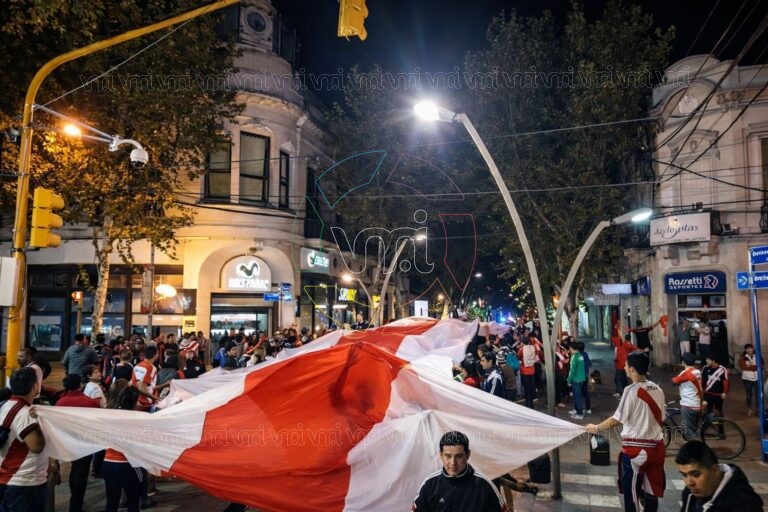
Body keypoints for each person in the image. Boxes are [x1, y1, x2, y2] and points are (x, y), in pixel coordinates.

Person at [585, 352, 665, 512]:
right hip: (657, 448)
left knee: (632, 494)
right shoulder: (658, 389)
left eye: (626, 365)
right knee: (651, 494)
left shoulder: (631, 390)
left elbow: (617, 418)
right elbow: (662, 417)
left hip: (637, 451)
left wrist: (596, 427)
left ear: (633, 369)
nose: (624, 367)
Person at [412, 431, 507, 511]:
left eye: (459, 456)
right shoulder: (429, 485)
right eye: (448, 456)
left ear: (468, 455)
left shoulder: (485, 486)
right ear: (441, 455)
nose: (453, 463)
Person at [0, 368, 49, 511]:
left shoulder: (3, 405)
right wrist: (38, 423)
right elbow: (37, 446)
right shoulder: (26, 414)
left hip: (5, 479)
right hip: (24, 483)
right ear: (35, 386)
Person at [676, 440, 763, 511]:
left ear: (715, 470)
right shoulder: (689, 494)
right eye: (684, 475)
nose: (689, 483)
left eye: (696, 474)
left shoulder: (744, 504)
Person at [56, 374, 100, 512]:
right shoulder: (90, 402)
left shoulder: (60, 402)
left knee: (74, 470)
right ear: (80, 385)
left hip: (67, 442)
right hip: (84, 443)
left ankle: (74, 502)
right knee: (81, 473)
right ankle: (76, 504)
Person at [102, 386, 143, 512]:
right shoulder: (139, 419)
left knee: (111, 502)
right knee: (133, 502)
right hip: (129, 464)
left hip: (108, 462)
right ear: (136, 401)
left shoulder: (110, 416)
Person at [671, 352, 702, 441]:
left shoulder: (685, 373)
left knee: (691, 434)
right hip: (696, 403)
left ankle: (698, 451)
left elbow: (675, 381)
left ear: (683, 362)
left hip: (688, 405)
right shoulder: (698, 372)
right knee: (693, 429)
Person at [130, 344, 158, 411]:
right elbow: (141, 388)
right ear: (156, 355)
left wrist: (166, 384)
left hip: (134, 401)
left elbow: (133, 383)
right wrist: (154, 398)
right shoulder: (151, 368)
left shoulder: (137, 366)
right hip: (145, 404)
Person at [701, 354, 728, 419]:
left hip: (718, 394)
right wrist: (701, 390)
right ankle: (708, 423)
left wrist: (724, 392)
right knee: (708, 409)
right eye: (706, 359)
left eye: (708, 359)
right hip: (707, 393)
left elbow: (725, 382)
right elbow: (702, 380)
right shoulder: (705, 368)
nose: (706, 361)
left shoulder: (722, 369)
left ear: (713, 361)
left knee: (718, 410)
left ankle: (720, 425)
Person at [738, 344, 760, 416]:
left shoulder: (758, 355)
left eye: (750, 348)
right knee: (748, 395)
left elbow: (761, 365)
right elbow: (742, 366)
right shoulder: (743, 357)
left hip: (757, 378)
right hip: (747, 379)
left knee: (758, 395)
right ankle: (749, 409)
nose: (749, 350)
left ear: (753, 348)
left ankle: (758, 410)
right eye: (747, 348)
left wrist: (750, 367)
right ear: (745, 350)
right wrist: (754, 367)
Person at [567, 341, 587, 419]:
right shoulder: (580, 355)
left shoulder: (574, 357)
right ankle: (576, 409)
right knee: (577, 396)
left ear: (572, 348)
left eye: (570, 348)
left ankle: (579, 414)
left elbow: (572, 371)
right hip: (581, 378)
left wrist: (569, 380)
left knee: (577, 397)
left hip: (576, 379)